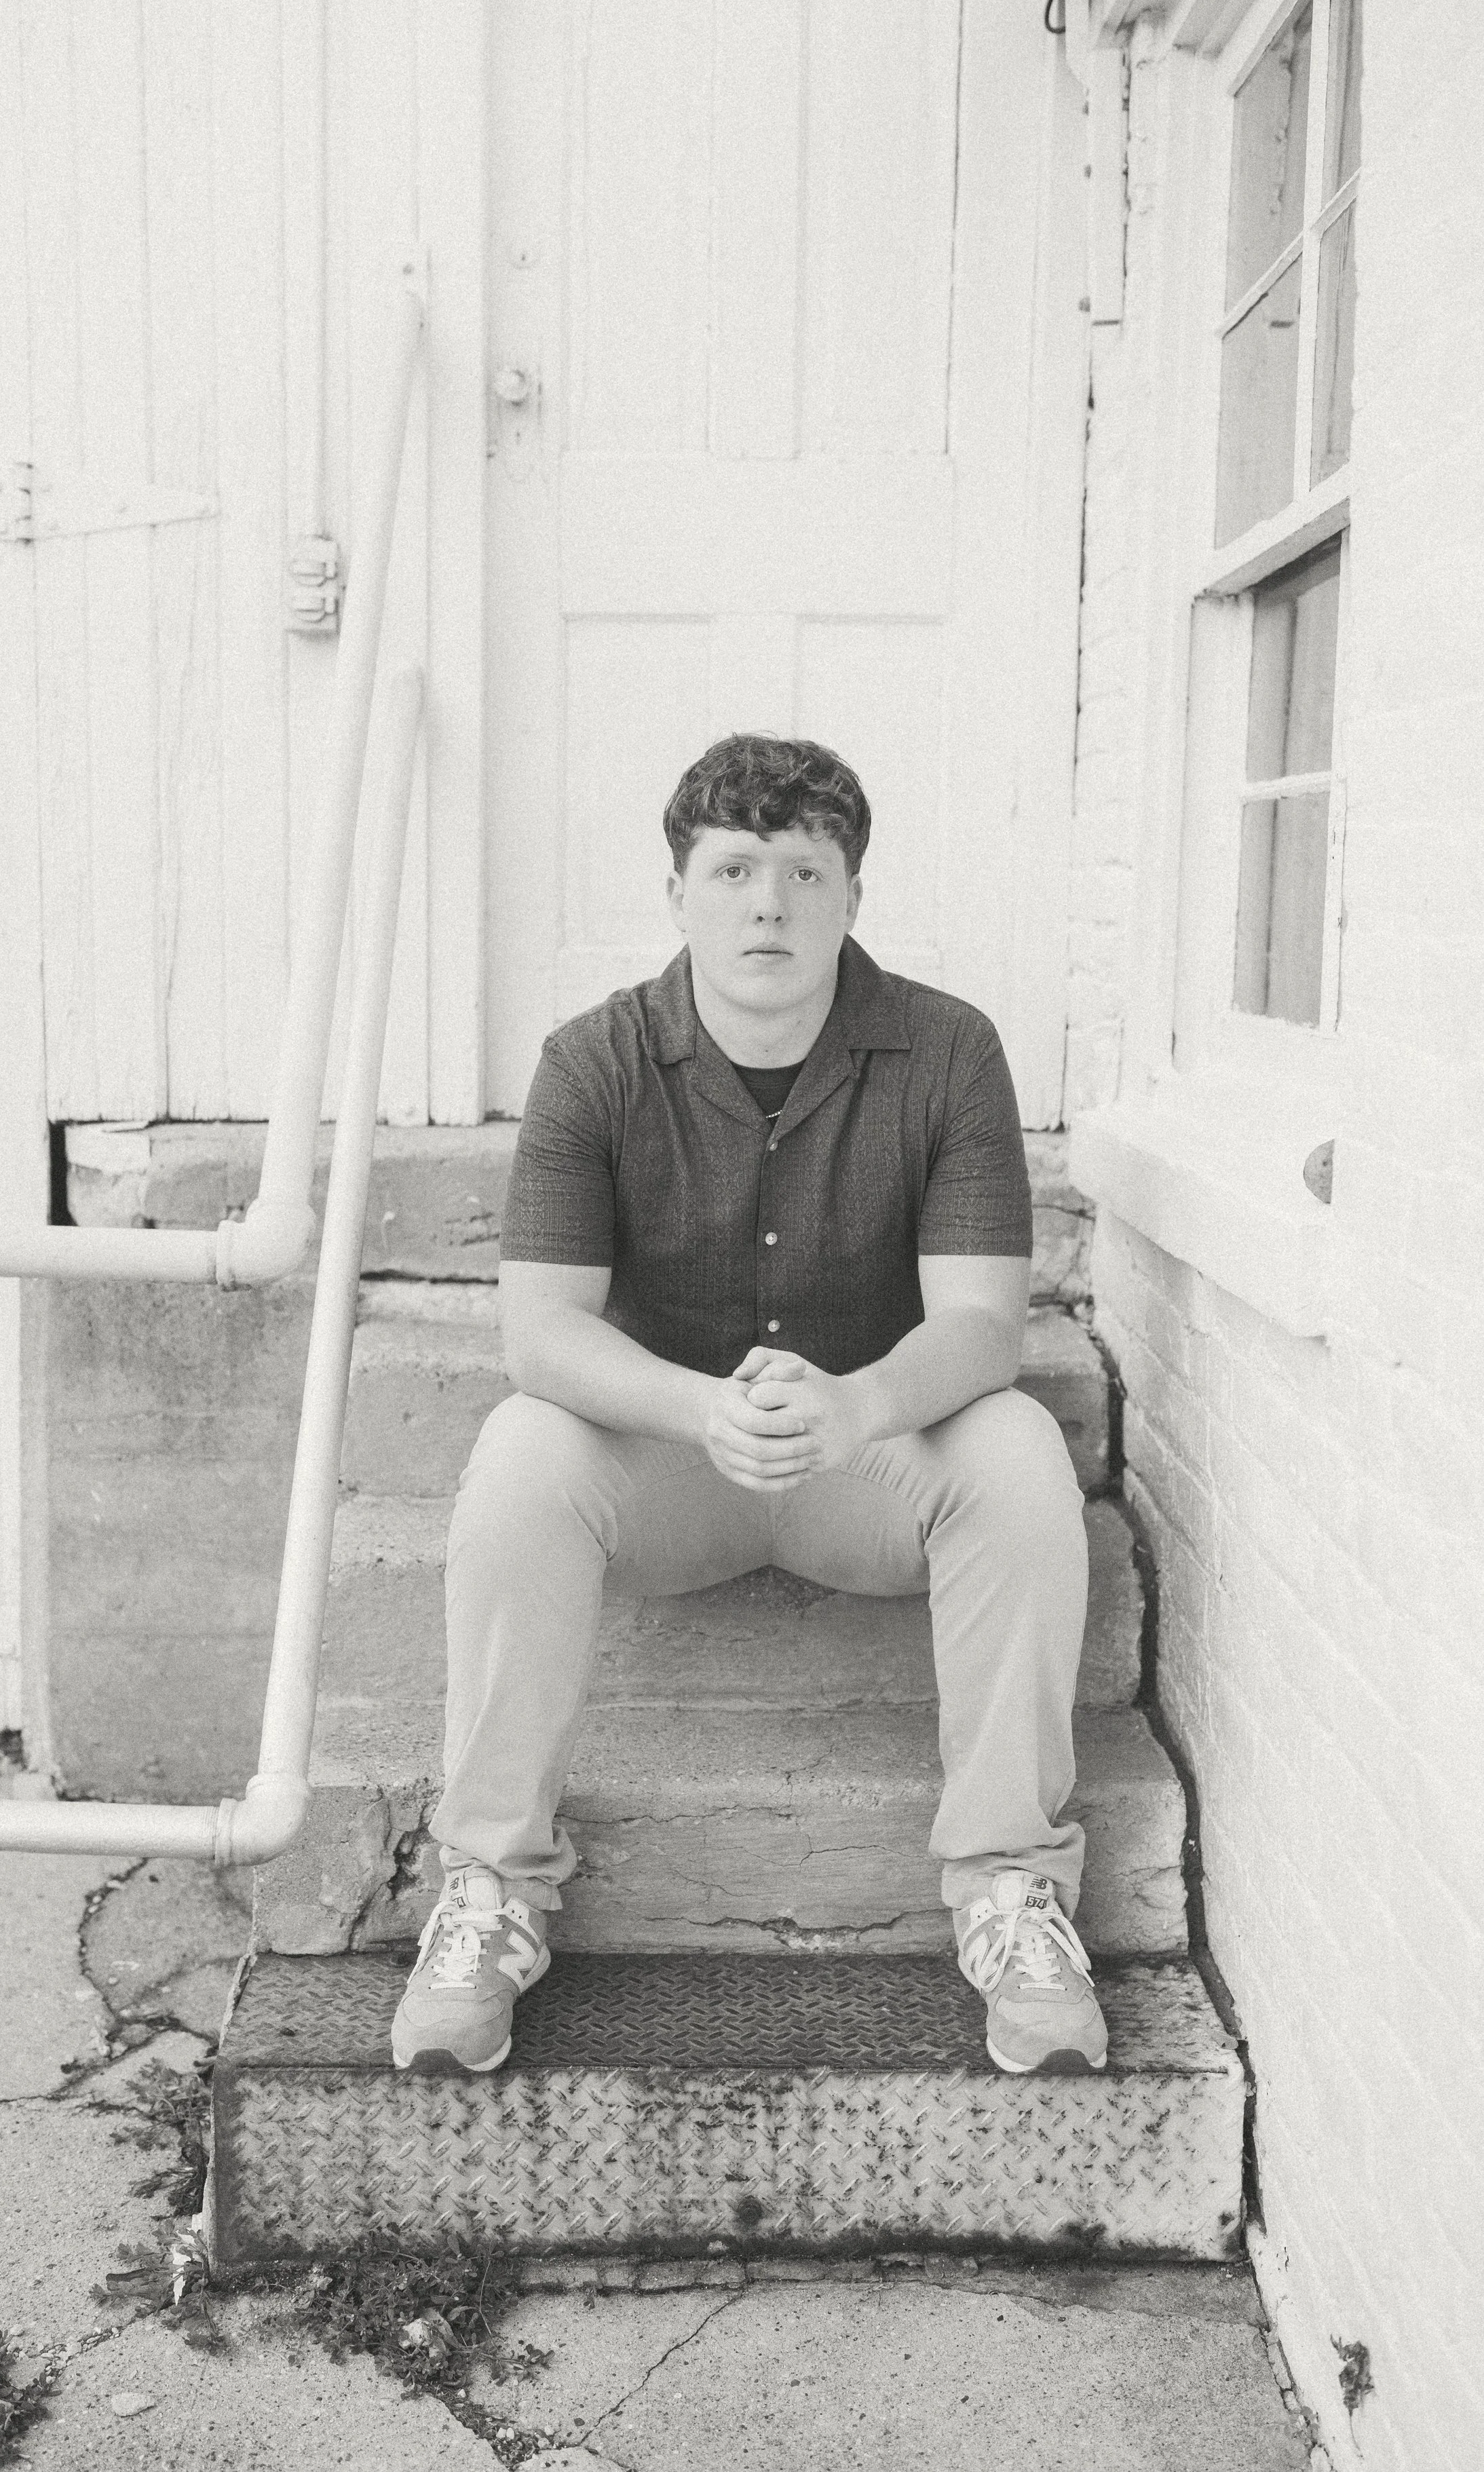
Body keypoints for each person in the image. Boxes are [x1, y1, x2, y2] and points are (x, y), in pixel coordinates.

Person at [390, 734, 1102, 2080]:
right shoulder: (591, 1060)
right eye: (730, 869)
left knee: (1010, 1449)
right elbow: (539, 1334)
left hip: (863, 1469)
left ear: (847, 894)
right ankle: (490, 1890)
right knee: (518, 1445)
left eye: (801, 869)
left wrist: (858, 1404)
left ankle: (1006, 1889)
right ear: (678, 894)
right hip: (669, 1474)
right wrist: (693, 1405)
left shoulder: (948, 1052)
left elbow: (984, 1326)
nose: (765, 903)